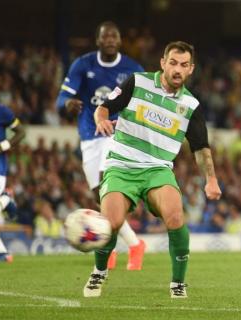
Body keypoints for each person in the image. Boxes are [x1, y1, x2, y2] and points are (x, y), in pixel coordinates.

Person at [83, 41, 222, 298]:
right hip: (121, 166)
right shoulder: (137, 83)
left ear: (191, 69)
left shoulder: (191, 106)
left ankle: (178, 283)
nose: (177, 69)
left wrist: (211, 179)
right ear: (163, 63)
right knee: (110, 223)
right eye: (173, 63)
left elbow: (201, 147)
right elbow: (104, 107)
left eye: (183, 65)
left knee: (176, 218)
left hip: (158, 170)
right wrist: (101, 119)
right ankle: (99, 271)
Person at [55, 21, 146, 271]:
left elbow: (145, 101)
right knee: (99, 197)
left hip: (117, 134)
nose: (110, 40)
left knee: (108, 187)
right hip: (89, 136)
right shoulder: (82, 65)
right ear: (98, 41)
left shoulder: (132, 68)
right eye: (105, 36)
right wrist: (67, 105)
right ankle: (134, 244)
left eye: (114, 36)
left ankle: (110, 246)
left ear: (119, 40)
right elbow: (61, 97)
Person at [0, 76, 25, 262]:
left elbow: (21, 131)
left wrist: (4, 146)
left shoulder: (0, 111)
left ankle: (6, 199)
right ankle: (1, 252)